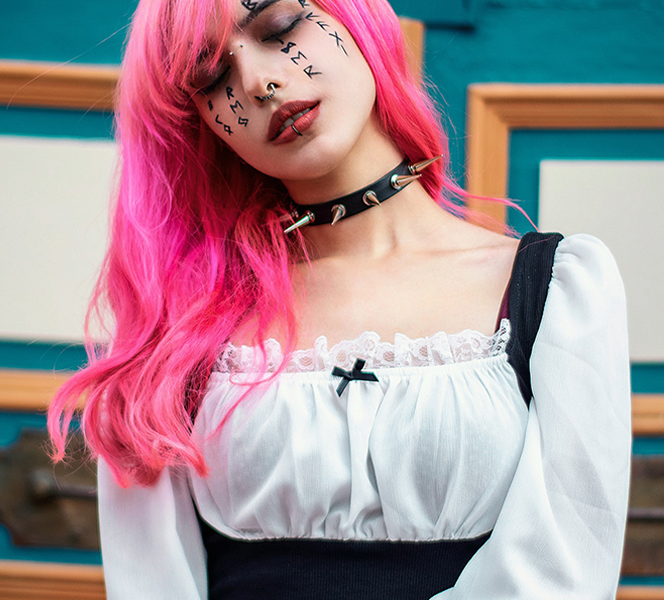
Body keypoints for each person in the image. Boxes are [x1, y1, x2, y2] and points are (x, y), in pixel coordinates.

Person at [48, 0, 632, 597]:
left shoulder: (556, 288)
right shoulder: (184, 324)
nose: (258, 82)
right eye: (210, 78)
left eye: (279, 27)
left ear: (355, 16)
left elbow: (562, 573)